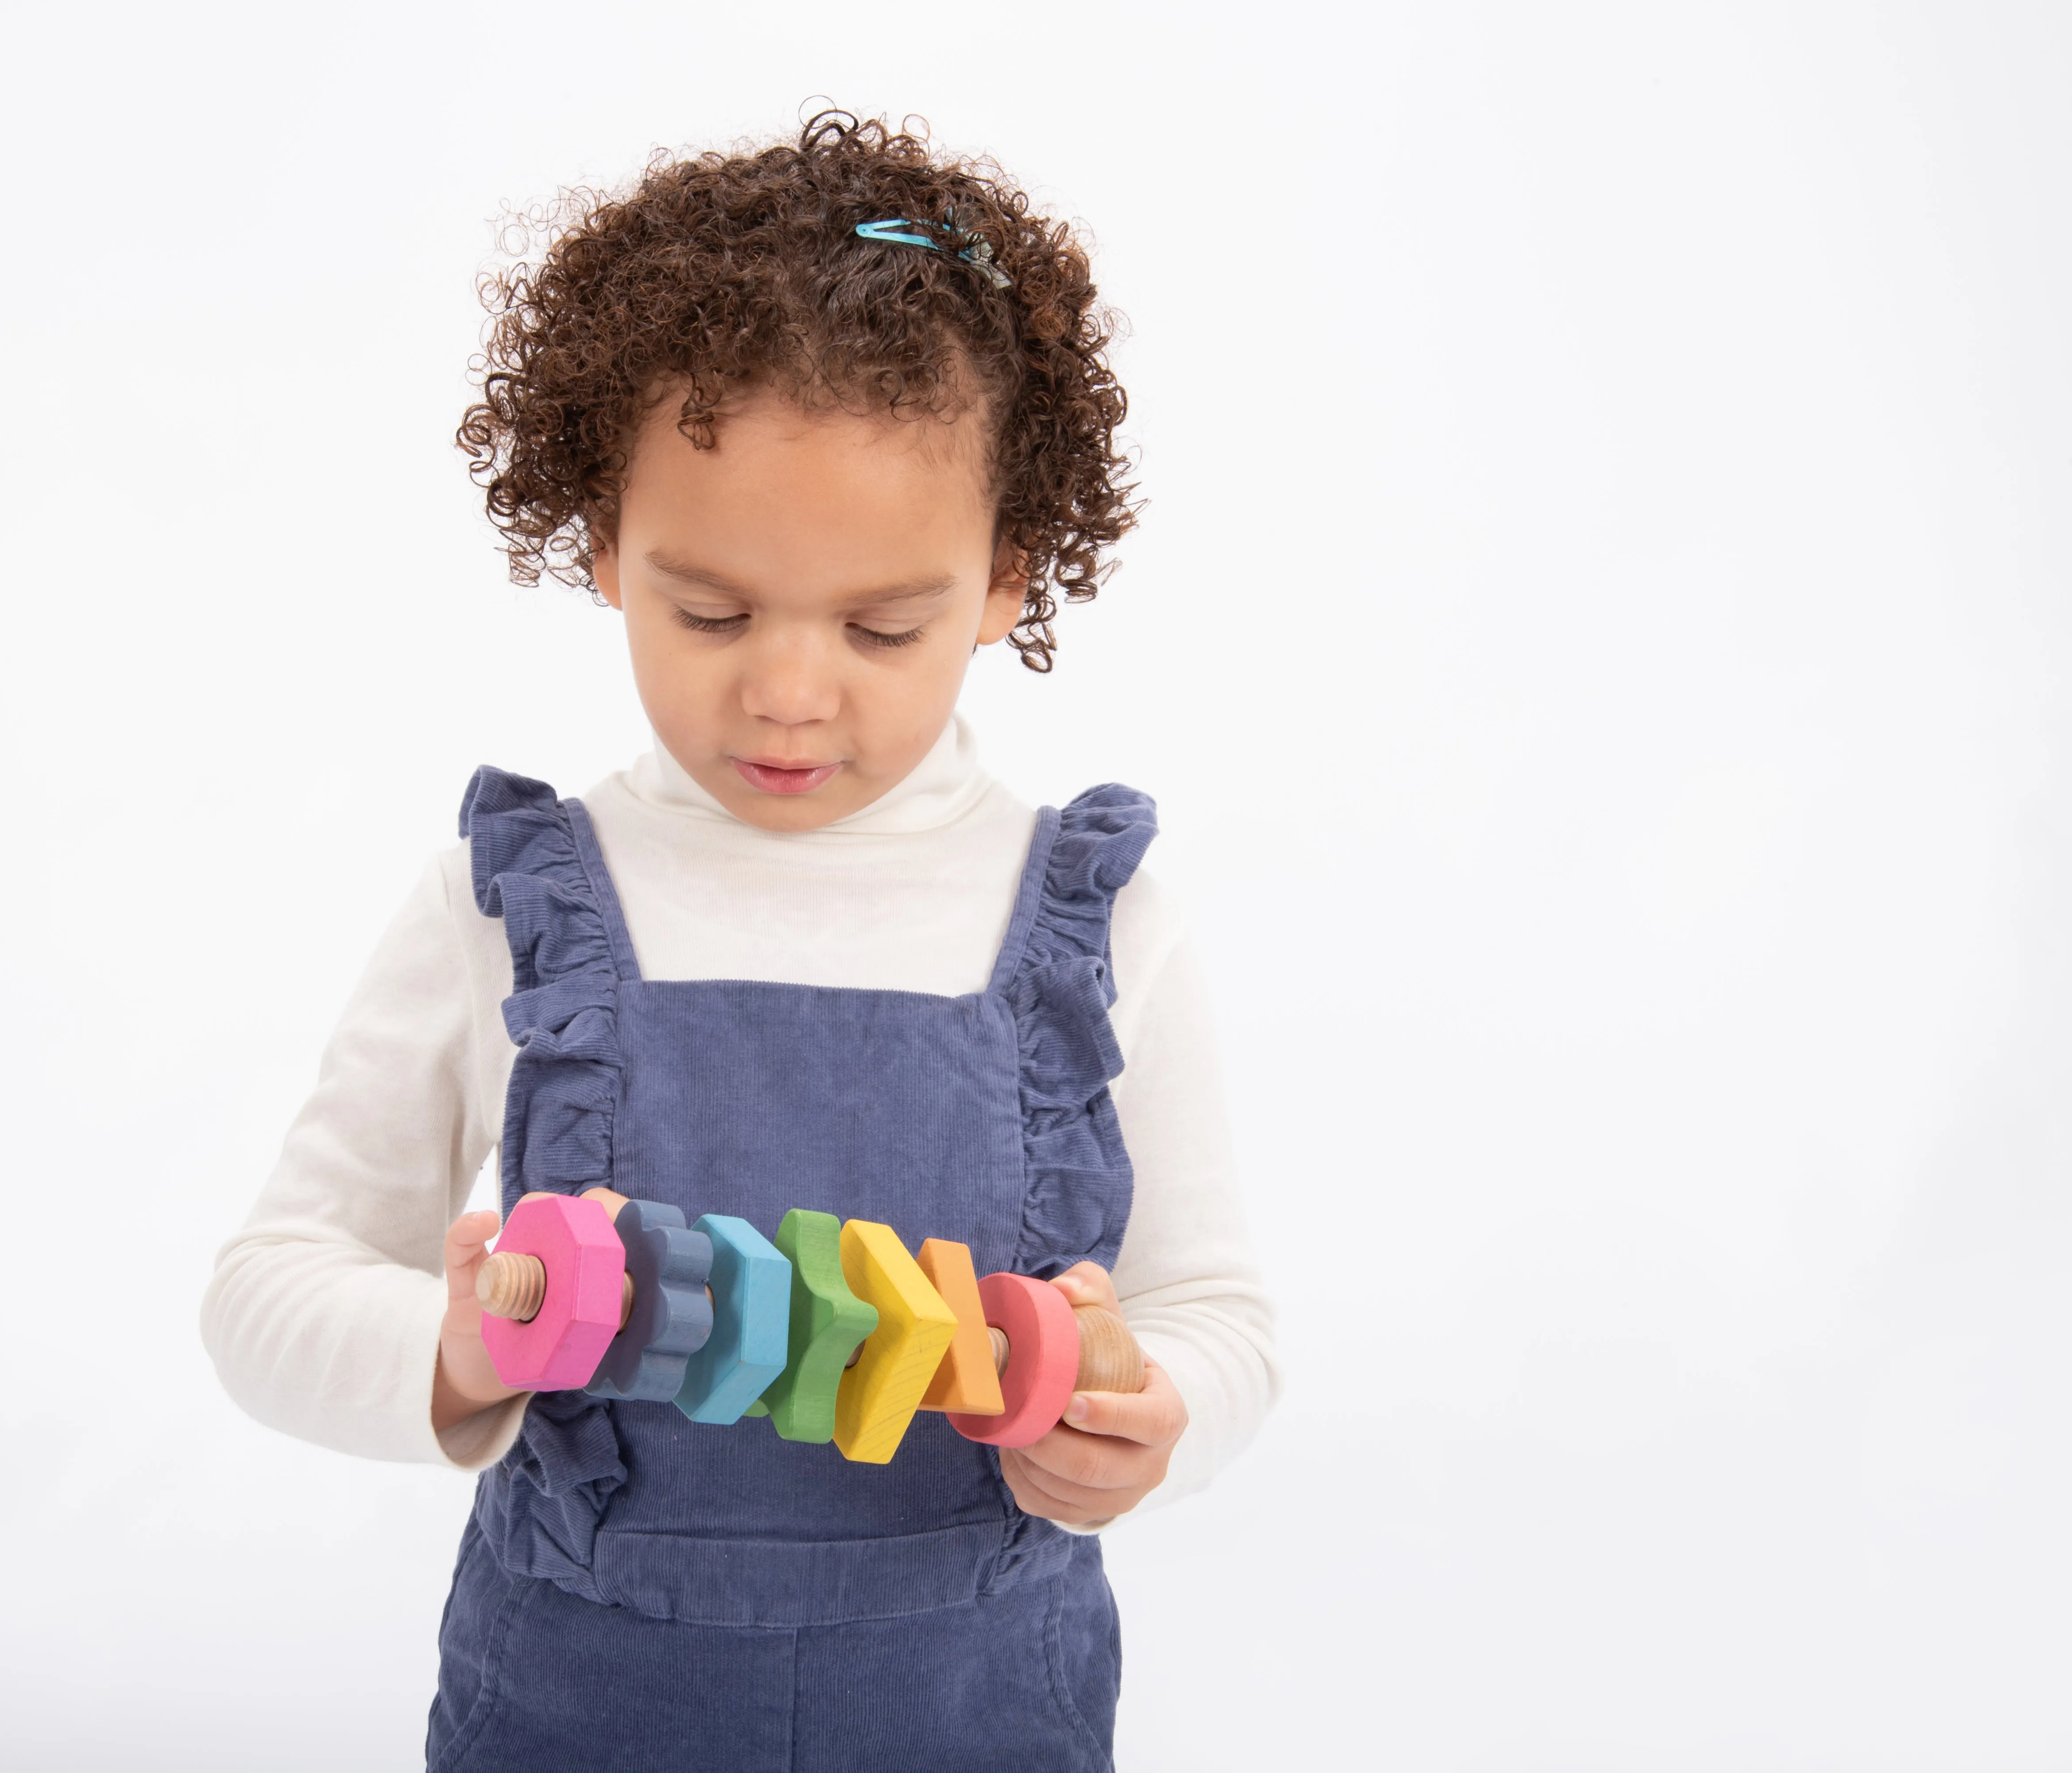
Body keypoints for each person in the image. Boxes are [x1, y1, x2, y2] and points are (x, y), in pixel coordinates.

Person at [200, 107, 1278, 1772]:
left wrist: (1152, 1418)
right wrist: (469, 1343)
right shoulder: (513, 902)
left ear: (1004, 580)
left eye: (884, 625)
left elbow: (1215, 1310)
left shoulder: (1094, 919)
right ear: (599, 546)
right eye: (705, 611)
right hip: (579, 1699)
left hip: (978, 1707)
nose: (786, 690)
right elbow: (269, 1294)